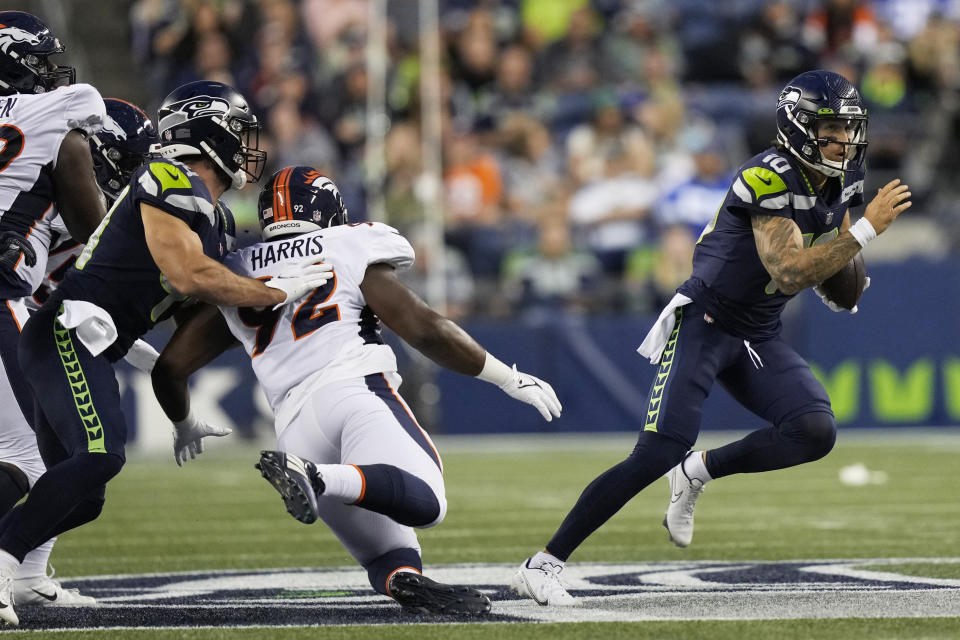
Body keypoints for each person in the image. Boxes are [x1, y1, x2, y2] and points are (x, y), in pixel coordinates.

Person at [511, 70, 912, 606]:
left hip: (757, 331)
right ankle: (542, 564)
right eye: (830, 129)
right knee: (657, 451)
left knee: (814, 429)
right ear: (797, 128)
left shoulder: (842, 179)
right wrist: (864, 232)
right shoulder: (766, 176)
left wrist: (847, 257)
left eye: (848, 128)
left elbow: (832, 257)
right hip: (705, 319)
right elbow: (789, 270)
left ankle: (698, 471)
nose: (844, 141)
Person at [150, 166, 563, 615]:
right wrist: (507, 377)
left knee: (386, 555)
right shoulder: (348, 244)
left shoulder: (237, 272)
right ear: (328, 207)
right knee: (428, 502)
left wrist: (183, 422)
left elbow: (170, 367)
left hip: (292, 425)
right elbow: (424, 329)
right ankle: (317, 476)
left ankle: (405, 580)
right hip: (354, 392)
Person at [0, 80, 332, 626]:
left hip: (84, 343)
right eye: (238, 130)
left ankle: (27, 574)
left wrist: (183, 419)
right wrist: (273, 289)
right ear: (207, 130)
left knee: (83, 496)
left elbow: (185, 339)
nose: (248, 144)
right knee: (100, 455)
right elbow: (188, 274)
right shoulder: (168, 177)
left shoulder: (212, 218)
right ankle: (6, 563)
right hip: (65, 333)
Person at [0, 96, 160, 610]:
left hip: (22, 312)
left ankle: (27, 573)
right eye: (132, 164)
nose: (137, 179)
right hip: (10, 309)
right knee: (29, 457)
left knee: (54, 460)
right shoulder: (67, 188)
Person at [0, 12, 112, 613]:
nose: (50, 74)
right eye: (39, 60)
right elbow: (97, 233)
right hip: (3, 295)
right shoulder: (60, 117)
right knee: (31, 459)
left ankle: (21, 574)